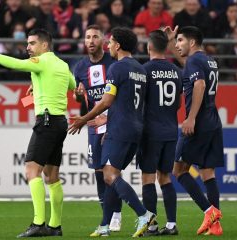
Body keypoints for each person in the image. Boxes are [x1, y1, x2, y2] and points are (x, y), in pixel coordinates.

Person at [0, 28, 76, 237]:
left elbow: (15, 64)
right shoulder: (62, 65)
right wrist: (37, 86)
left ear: (44, 45)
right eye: (28, 43)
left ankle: (38, 223)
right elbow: (72, 86)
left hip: (45, 122)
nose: (28, 47)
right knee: (52, 176)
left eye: (32, 43)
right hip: (60, 122)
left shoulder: (42, 62)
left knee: (31, 170)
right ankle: (55, 226)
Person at [68, 27, 155, 238]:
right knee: (109, 175)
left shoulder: (116, 68)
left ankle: (144, 214)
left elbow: (107, 100)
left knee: (109, 174)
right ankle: (105, 225)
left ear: (117, 45)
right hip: (135, 129)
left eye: (110, 42)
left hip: (120, 128)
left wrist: (84, 118)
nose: (108, 46)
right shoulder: (141, 70)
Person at [164, 25, 224, 236]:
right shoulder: (208, 60)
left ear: (191, 42)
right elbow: (187, 66)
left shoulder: (195, 61)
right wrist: (171, 42)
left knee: (178, 170)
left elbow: (198, 84)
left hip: (198, 123)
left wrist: (190, 118)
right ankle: (215, 225)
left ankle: (210, 212)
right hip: (213, 120)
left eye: (180, 40)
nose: (177, 45)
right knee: (207, 172)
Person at [72, 25, 121, 235]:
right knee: (98, 172)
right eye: (88, 37)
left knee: (111, 170)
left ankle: (116, 214)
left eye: (95, 37)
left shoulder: (113, 63)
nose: (91, 41)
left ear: (103, 40)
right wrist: (77, 94)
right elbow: (80, 97)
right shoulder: (79, 67)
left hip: (113, 122)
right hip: (94, 124)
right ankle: (106, 216)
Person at [137, 30, 182, 236]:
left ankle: (152, 225)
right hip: (171, 130)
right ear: (166, 48)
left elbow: (138, 102)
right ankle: (171, 225)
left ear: (148, 47)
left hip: (151, 131)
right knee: (165, 177)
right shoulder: (176, 70)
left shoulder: (144, 70)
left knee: (148, 178)